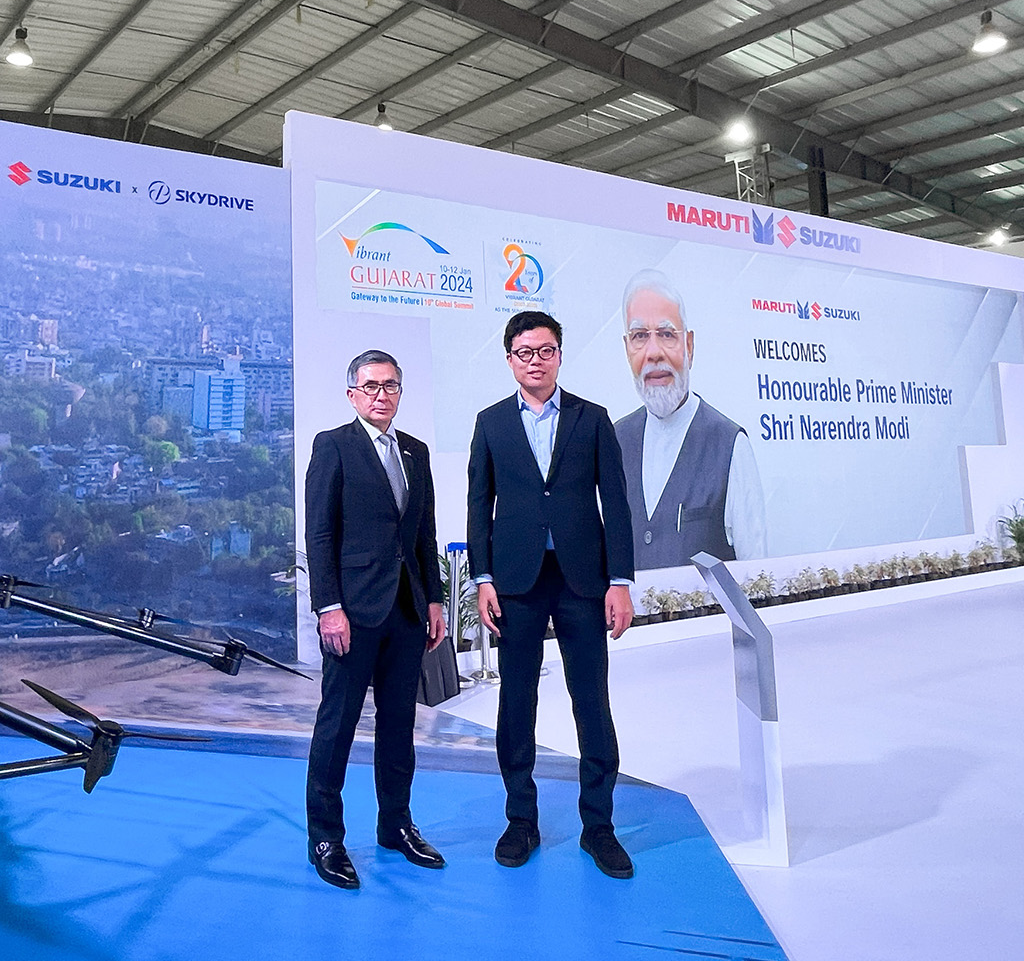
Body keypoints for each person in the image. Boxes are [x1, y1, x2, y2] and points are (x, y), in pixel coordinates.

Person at [466, 312, 637, 879]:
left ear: (560, 354)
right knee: (516, 705)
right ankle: (521, 822)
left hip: (582, 581)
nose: (534, 360)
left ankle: (600, 829)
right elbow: (478, 506)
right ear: (510, 359)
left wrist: (620, 583)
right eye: (523, 351)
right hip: (515, 582)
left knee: (591, 701)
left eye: (544, 350)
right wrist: (482, 578)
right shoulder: (490, 424)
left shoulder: (593, 420)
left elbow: (615, 504)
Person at [303, 350, 448, 889]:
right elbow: (319, 534)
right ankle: (326, 839)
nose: (381, 394)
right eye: (370, 386)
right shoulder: (333, 445)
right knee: (336, 726)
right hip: (352, 613)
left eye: (390, 386)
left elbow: (424, 536)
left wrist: (434, 600)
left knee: (398, 728)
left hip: (408, 610)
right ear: (352, 394)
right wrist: (329, 607)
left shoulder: (416, 451)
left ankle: (396, 826)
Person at [615, 269, 766, 569]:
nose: (653, 352)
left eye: (667, 334)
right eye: (640, 337)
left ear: (690, 346)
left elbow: (756, 573)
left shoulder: (729, 445)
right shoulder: (613, 441)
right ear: (627, 348)